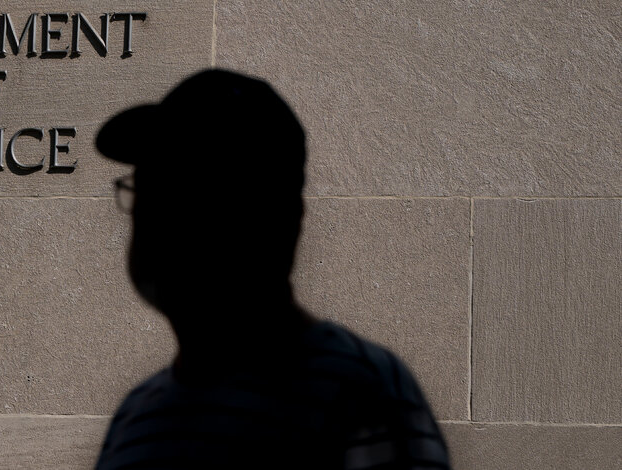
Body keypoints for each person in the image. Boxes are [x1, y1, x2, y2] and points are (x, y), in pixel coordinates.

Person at [92, 69, 450, 469]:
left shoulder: (362, 397)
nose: (154, 216)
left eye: (187, 190)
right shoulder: (135, 418)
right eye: (148, 187)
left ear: (277, 220)